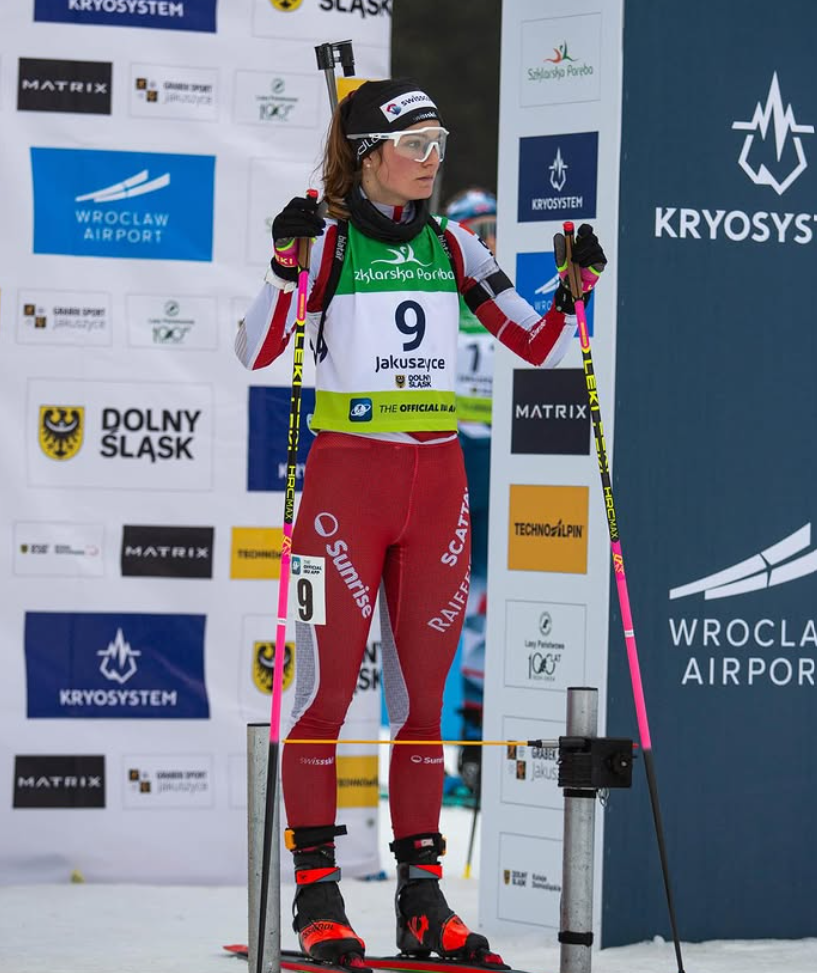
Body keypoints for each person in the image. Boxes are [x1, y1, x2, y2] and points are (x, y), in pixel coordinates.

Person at [235, 77, 606, 970]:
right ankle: (318, 896)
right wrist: (283, 271)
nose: (433, 161)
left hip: (435, 484)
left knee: (423, 709)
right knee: (325, 698)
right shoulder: (325, 243)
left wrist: (573, 288)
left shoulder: (452, 247)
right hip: (346, 486)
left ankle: (420, 898)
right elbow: (255, 348)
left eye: (441, 143)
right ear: (368, 154)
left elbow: (537, 343)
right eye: (417, 145)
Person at [442, 188, 498, 799]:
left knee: (485, 610)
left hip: (494, 463)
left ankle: (476, 748)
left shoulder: (494, 295)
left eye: (494, 227)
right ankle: (456, 747)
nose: (488, 239)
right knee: (447, 608)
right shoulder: (437, 294)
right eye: (477, 227)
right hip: (450, 457)